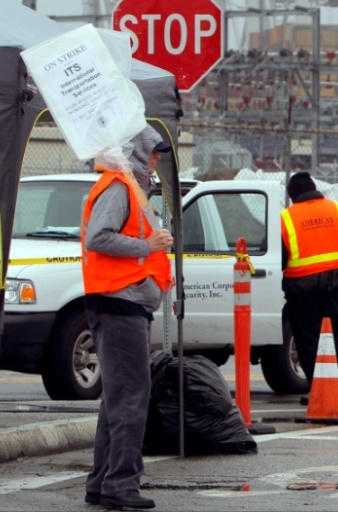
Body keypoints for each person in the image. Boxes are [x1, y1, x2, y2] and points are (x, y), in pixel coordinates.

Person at [80, 126, 175, 510]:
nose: (156, 159)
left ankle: (104, 482)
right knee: (132, 397)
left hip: (123, 304)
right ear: (135, 151)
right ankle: (120, 484)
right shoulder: (119, 187)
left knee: (119, 398)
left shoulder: (130, 189)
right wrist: (147, 245)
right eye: (152, 151)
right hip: (119, 305)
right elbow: (98, 237)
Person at [280, 172, 338, 404]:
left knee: (307, 336)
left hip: (301, 286)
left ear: (292, 196)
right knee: (337, 328)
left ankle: (318, 387)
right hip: (335, 283)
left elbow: (279, 258)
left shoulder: (286, 218)